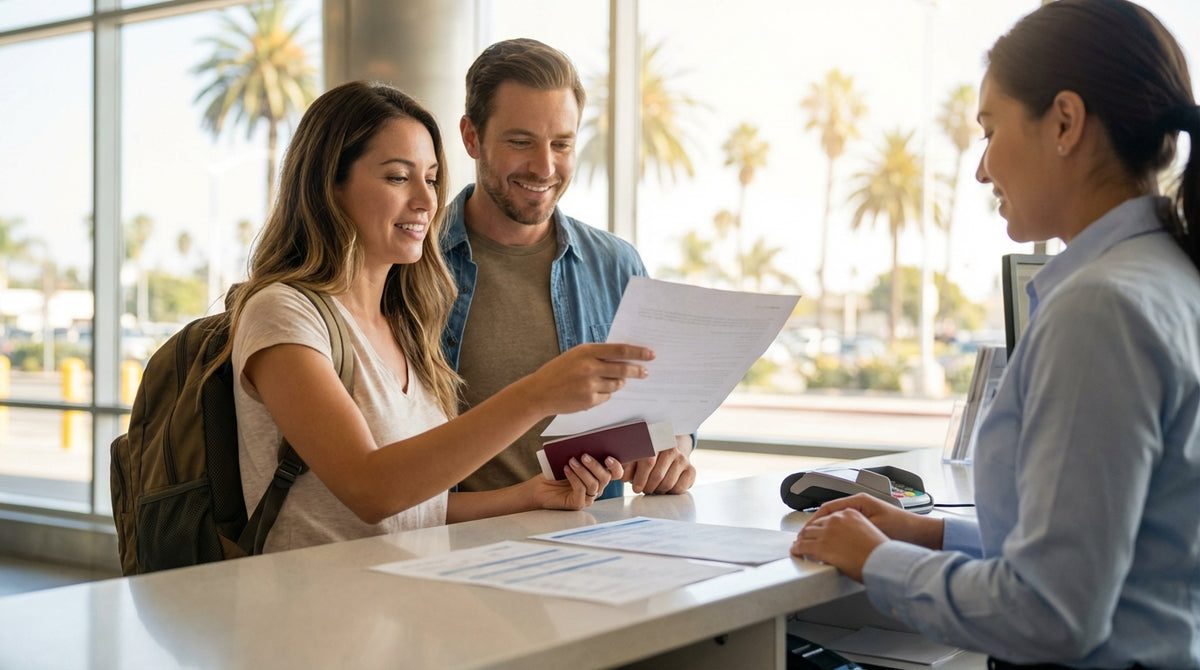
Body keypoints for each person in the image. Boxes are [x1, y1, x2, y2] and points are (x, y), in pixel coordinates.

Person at [791, 1, 1200, 667]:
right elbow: (1109, 548)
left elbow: (1051, 612)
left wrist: (878, 561)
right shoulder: (1170, 277)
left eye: (989, 130)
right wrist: (929, 534)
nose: (981, 168)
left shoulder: (1100, 310)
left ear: (1064, 122)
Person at [220, 80, 655, 553]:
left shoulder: (404, 322)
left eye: (430, 178)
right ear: (330, 184)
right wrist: (536, 394)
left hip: (407, 608)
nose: (427, 201)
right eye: (396, 177)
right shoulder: (283, 313)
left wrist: (529, 496)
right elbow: (371, 490)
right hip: (320, 613)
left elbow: (418, 504)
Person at [440, 38, 696, 499]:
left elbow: (666, 409)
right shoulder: (417, 262)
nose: (544, 167)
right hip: (454, 545)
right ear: (471, 137)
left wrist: (674, 447)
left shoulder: (616, 264)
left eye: (562, 144)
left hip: (594, 541)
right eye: (521, 142)